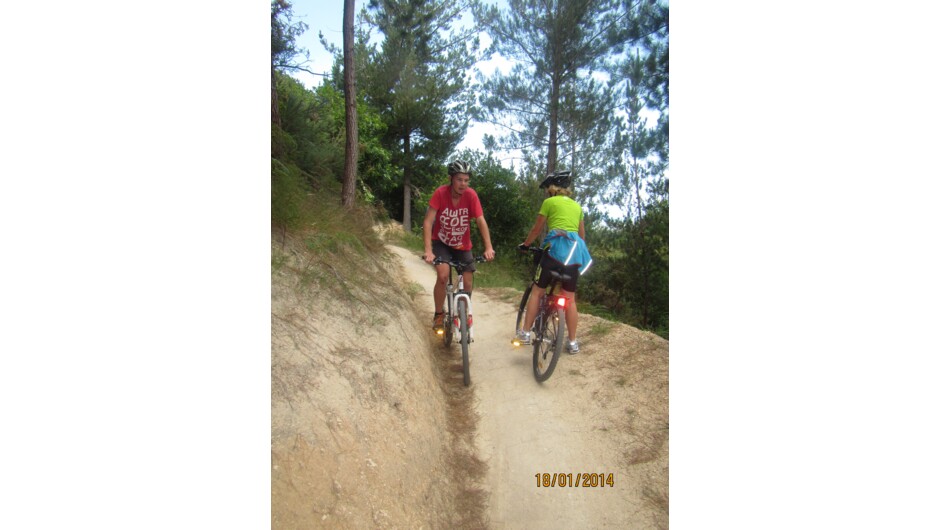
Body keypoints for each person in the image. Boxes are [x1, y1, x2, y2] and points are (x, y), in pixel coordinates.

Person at [514, 170, 592, 354]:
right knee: (570, 300)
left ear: (552, 188)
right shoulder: (577, 207)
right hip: (574, 257)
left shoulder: (549, 202)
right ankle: (572, 343)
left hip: (554, 254)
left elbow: (536, 229)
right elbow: (582, 236)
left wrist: (525, 245)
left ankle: (525, 333)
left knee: (537, 292)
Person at [422, 160, 496, 330]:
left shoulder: (471, 196)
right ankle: (439, 314)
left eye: (466, 180)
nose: (463, 184)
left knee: (468, 283)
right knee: (443, 275)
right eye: (459, 179)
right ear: (451, 179)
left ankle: (463, 312)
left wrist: (488, 247)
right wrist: (428, 250)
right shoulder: (440, 193)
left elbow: (480, 220)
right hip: (441, 242)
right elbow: (428, 222)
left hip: (462, 245)